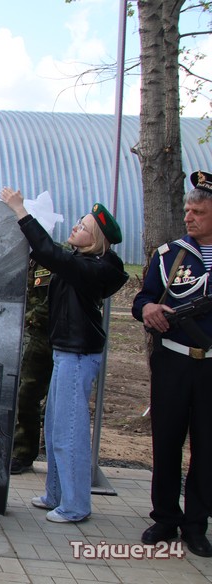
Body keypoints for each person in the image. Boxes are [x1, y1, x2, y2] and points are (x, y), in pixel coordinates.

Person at [0, 187, 127, 523]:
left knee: (69, 433)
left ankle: (75, 505)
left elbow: (49, 253)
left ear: (96, 239)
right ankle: (55, 494)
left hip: (77, 355)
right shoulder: (83, 263)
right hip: (65, 353)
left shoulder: (94, 268)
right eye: (78, 223)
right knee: (56, 428)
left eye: (83, 227)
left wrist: (20, 211)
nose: (75, 228)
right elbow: (50, 255)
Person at [132, 171, 212, 557]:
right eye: (186, 211)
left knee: (207, 447)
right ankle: (165, 517)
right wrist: (147, 308)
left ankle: (196, 525)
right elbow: (142, 298)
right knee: (166, 442)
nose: (188, 217)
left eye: (198, 212)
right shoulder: (170, 256)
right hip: (174, 362)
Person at [9, 260, 53, 474]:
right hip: (28, 335)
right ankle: (22, 452)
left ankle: (28, 452)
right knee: (24, 393)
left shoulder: (50, 260)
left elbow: (52, 302)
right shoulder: (17, 259)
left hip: (48, 336)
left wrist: (27, 318)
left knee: (32, 393)